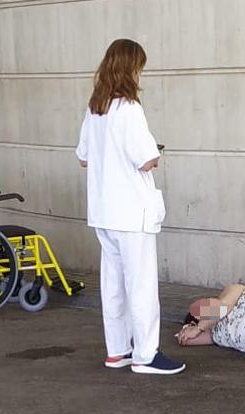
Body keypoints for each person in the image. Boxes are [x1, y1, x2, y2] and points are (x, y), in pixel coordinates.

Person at [75, 39, 184, 375]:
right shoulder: (130, 110)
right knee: (141, 286)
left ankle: (117, 350)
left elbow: (83, 158)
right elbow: (148, 159)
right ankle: (146, 355)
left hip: (103, 212)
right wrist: (154, 151)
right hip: (131, 213)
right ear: (130, 68)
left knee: (113, 286)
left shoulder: (95, 109)